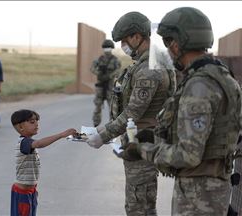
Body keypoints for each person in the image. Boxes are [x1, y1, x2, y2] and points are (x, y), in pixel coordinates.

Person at [120, 7, 242, 215]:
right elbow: (209, 138)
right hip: (211, 191)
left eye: (168, 43)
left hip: (198, 194)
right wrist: (156, 137)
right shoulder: (222, 76)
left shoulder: (200, 86)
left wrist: (142, 149)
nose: (167, 50)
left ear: (177, 43)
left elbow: (188, 155)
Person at [86, 12, 176, 215]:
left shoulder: (149, 70)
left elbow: (133, 113)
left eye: (124, 41)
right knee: (146, 204)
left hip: (142, 143)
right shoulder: (152, 62)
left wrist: (102, 135)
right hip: (141, 141)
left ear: (137, 37)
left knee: (138, 206)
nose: (122, 47)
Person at [10, 109, 77, 215]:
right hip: (22, 193)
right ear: (20, 127)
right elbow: (39, 143)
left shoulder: (29, 142)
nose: (36, 124)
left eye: (37, 121)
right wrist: (61, 135)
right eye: (32, 122)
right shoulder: (24, 142)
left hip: (30, 191)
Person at [90, 39, 122, 127]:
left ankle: (112, 126)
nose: (107, 49)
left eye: (108, 48)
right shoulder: (99, 59)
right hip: (100, 86)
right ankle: (95, 124)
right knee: (97, 106)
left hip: (110, 86)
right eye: (105, 48)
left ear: (111, 48)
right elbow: (92, 68)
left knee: (112, 107)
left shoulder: (115, 60)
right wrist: (99, 73)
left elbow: (118, 71)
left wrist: (110, 76)